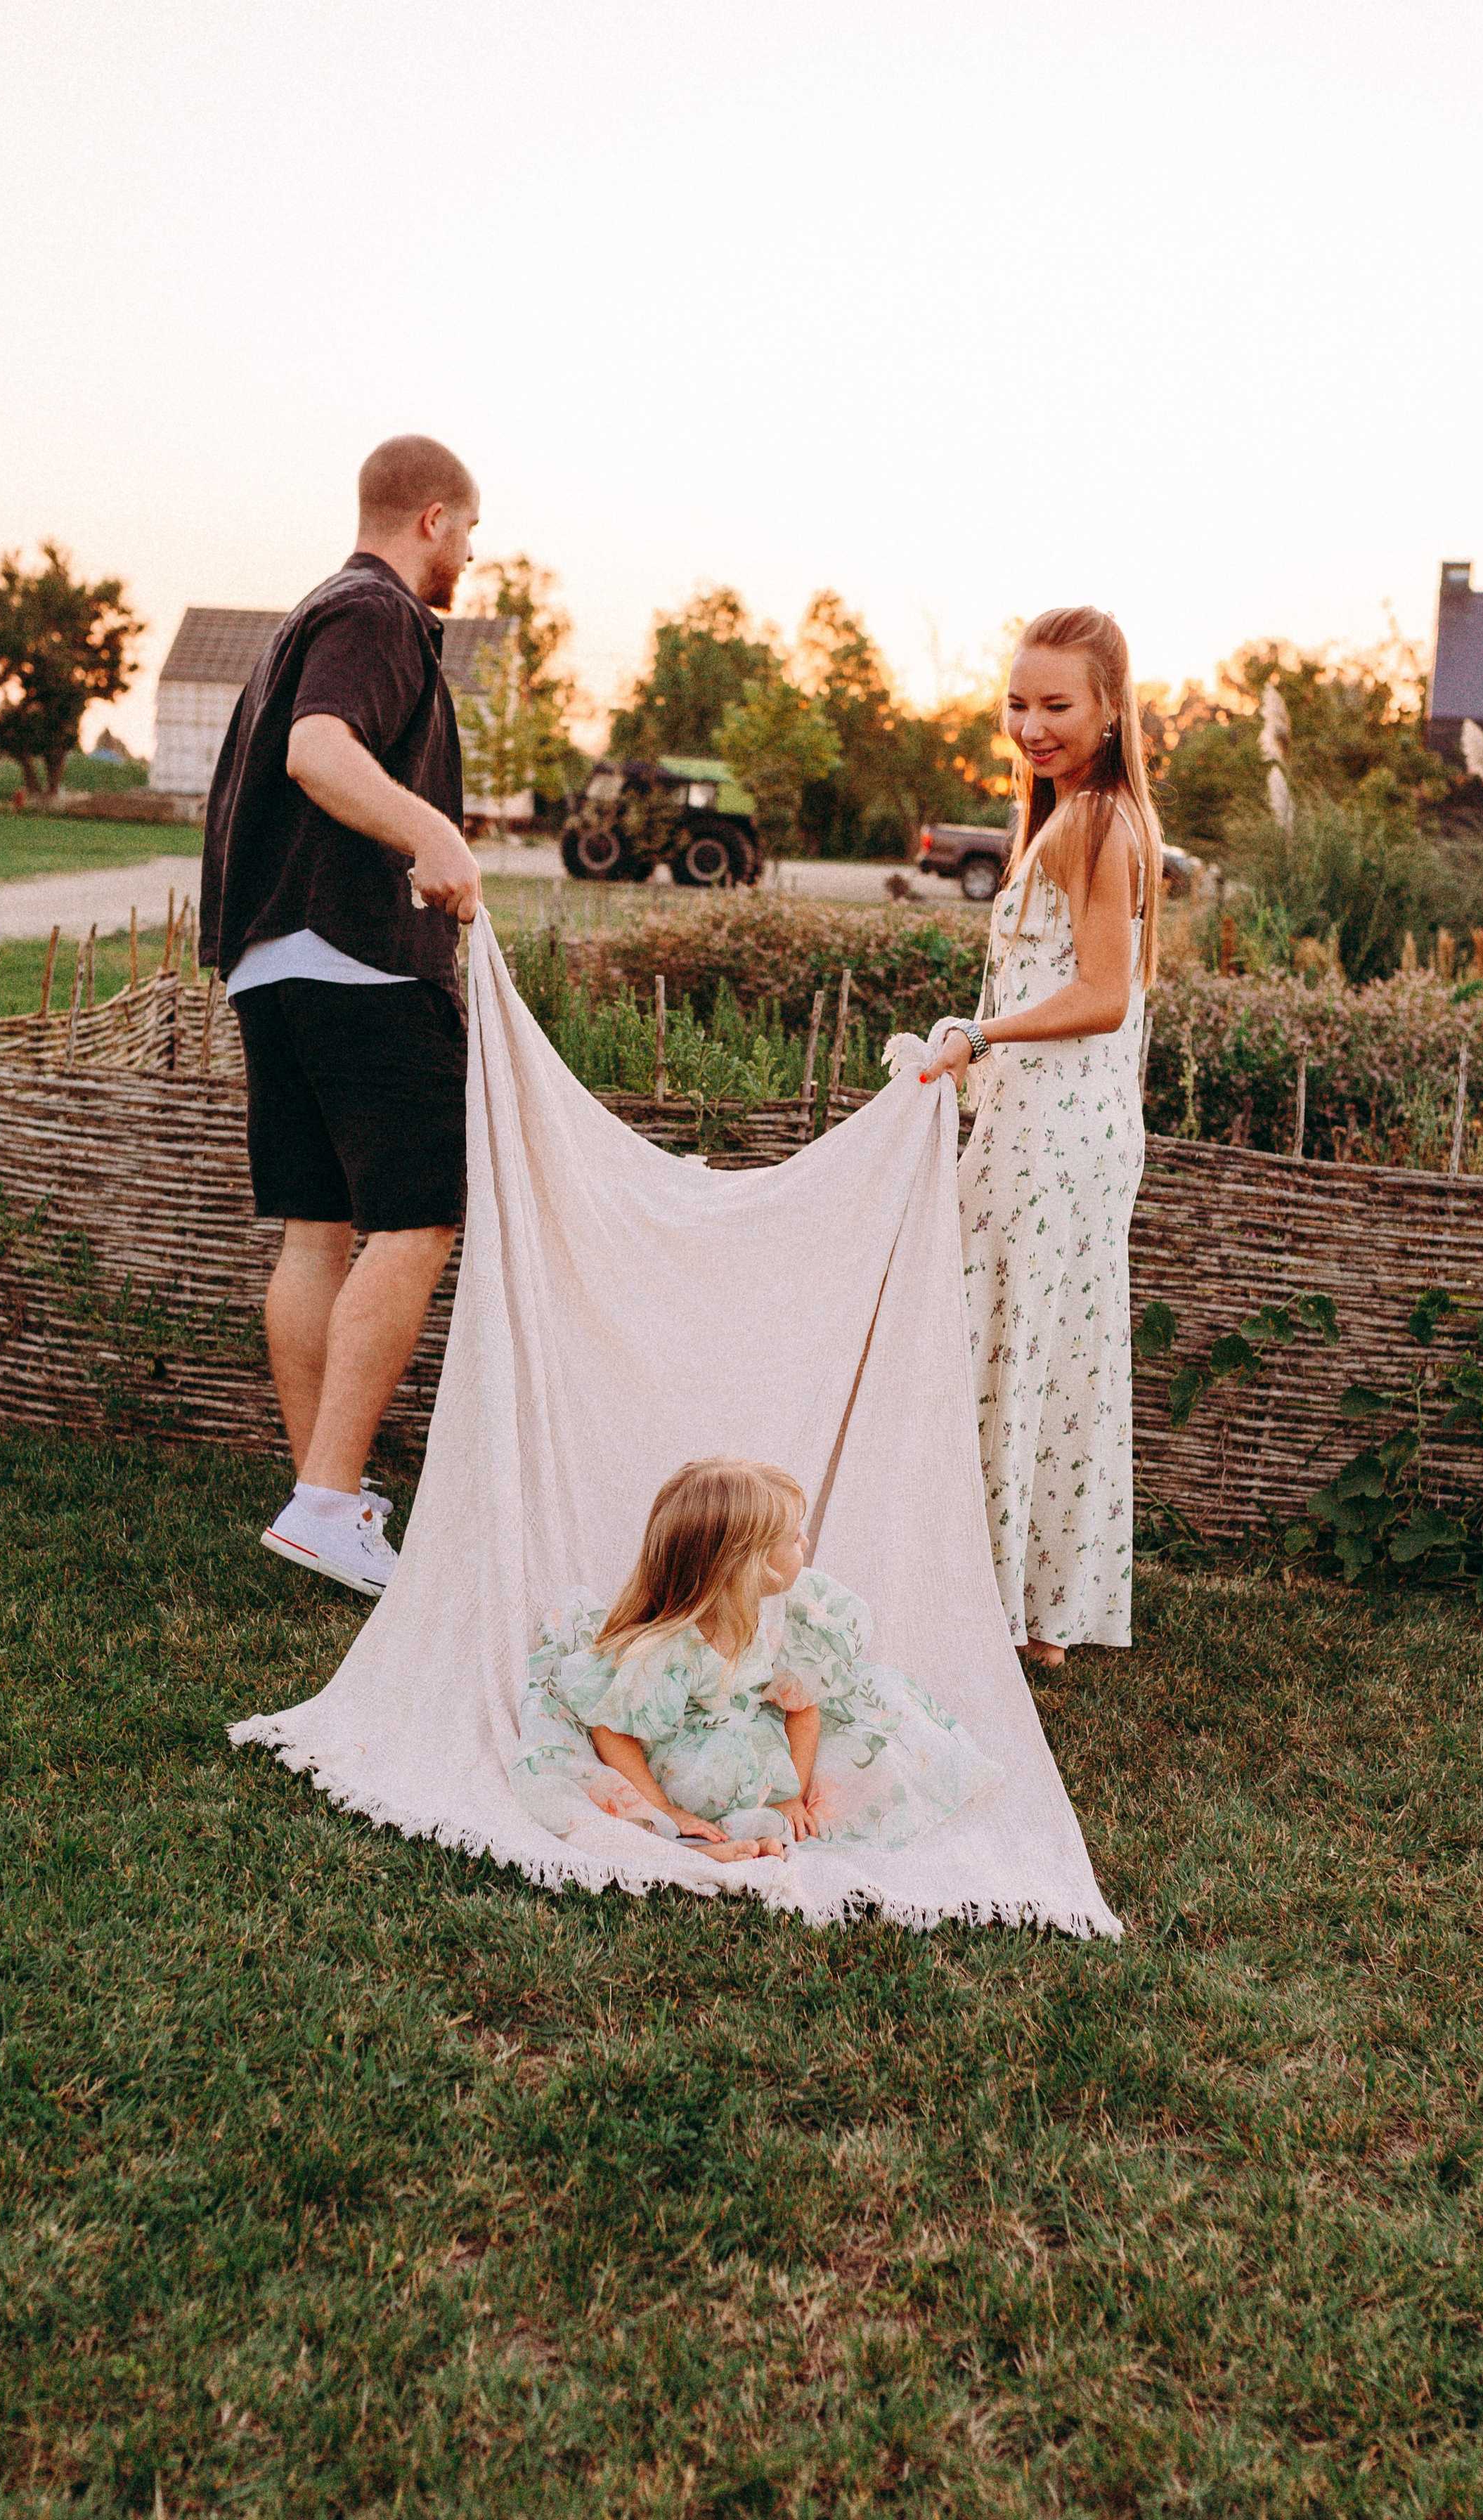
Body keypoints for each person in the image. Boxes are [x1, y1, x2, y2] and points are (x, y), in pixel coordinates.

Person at [198, 434, 484, 1597]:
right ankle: (327, 1502)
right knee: (415, 1218)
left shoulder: (304, 616)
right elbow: (321, 752)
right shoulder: (377, 614)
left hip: (269, 959)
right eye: (469, 531)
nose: (470, 555)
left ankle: (326, 1498)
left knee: (317, 1230)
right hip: (357, 955)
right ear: (431, 518)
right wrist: (438, 835)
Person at [919, 607, 1163, 1667]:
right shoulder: (1075, 818)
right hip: (1066, 1124)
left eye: (1058, 704)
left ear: (1111, 710)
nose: (1031, 725)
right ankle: (1027, 1612)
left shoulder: (1099, 823)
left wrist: (980, 1032)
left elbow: (1104, 994)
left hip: (1052, 1130)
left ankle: (999, 1607)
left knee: (1008, 1341)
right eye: (1018, 703)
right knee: (1042, 1344)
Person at [510, 1458, 1002, 1859]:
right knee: (706, 1786)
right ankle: (692, 1843)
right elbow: (612, 1729)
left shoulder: (787, 1615)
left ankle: (754, 1825)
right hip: (696, 1745)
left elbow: (803, 1704)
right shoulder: (673, 1647)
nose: (805, 1544)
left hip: (765, 1731)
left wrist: (793, 1790)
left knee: (884, 1734)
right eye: (793, 1538)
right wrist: (663, 1808)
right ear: (751, 1567)